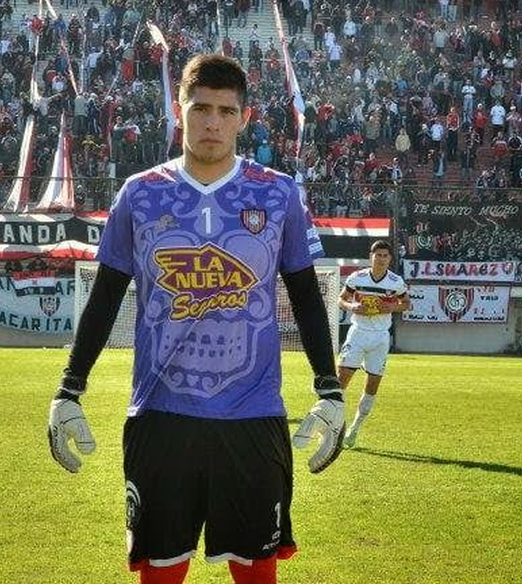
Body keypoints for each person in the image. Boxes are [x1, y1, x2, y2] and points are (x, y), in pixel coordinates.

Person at [47, 54, 345, 584]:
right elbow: (105, 297)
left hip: (252, 415)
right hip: (163, 414)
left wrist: (330, 389)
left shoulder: (278, 194)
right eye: (200, 107)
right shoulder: (140, 193)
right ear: (180, 110)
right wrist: (68, 390)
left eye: (225, 111)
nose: (212, 122)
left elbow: (304, 293)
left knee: (257, 571)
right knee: (160, 571)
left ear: (243, 118)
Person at [336, 240, 410, 449]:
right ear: (371, 257)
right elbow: (341, 299)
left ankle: (354, 429)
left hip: (380, 337)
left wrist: (389, 307)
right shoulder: (356, 277)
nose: (381, 259)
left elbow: (406, 304)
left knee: (373, 383)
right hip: (358, 333)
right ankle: (335, 427)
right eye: (378, 255)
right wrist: (352, 306)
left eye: (385, 256)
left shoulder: (395, 282)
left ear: (390, 259)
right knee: (341, 379)